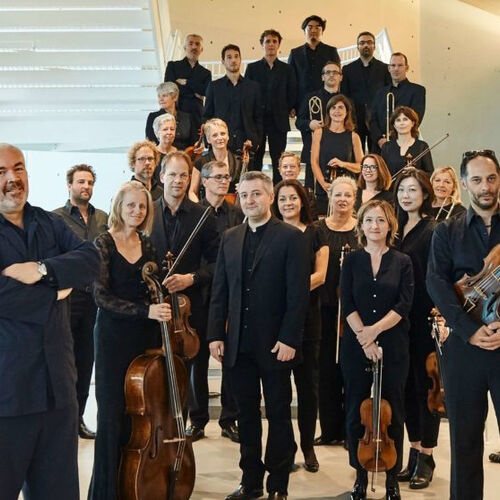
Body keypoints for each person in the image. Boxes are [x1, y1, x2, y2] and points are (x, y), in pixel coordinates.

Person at [0, 143, 100, 500]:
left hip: (59, 394)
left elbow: (90, 259)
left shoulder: (49, 222)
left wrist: (42, 269)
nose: (13, 179)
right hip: (8, 398)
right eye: (1, 172)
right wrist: (57, 289)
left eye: (19, 168)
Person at [208, 171, 310, 500]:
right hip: (238, 344)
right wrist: (215, 334)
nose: (250, 200)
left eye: (257, 194)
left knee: (279, 414)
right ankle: (250, 481)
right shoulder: (230, 237)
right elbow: (220, 291)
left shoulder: (291, 238)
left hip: (276, 344)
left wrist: (290, 339)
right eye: (245, 195)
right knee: (247, 416)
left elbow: (299, 295)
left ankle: (278, 483)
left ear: (269, 198)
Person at [88, 181, 171, 500]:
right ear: (119, 207)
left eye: (142, 206)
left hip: (145, 336)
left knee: (142, 416)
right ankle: (106, 493)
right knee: (112, 416)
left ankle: (135, 487)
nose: (137, 211)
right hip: (113, 339)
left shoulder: (148, 244)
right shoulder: (103, 243)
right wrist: (145, 311)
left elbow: (154, 286)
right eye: (131, 205)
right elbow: (101, 296)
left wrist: (162, 300)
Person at [427, 150, 500, 500]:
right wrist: (469, 330)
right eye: (477, 179)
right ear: (465, 184)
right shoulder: (447, 232)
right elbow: (436, 284)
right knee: (465, 443)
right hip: (463, 349)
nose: (485, 187)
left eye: (491, 178)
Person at [340, 199, 414, 500]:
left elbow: (404, 305)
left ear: (390, 225)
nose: (375, 226)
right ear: (361, 225)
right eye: (369, 220)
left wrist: (374, 333)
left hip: (393, 343)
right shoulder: (353, 260)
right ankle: (360, 474)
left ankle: (392, 478)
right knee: (356, 410)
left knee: (393, 410)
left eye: (381, 220)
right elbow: (347, 302)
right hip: (357, 346)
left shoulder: (403, 261)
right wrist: (365, 339)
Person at [150, 151, 219, 442]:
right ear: (161, 176)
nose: (177, 180)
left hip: (192, 304)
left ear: (191, 178)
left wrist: (192, 277)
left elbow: (217, 263)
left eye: (183, 175)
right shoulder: (148, 212)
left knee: (196, 363)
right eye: (172, 174)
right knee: (158, 362)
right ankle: (162, 415)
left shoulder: (203, 215)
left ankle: (198, 420)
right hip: (156, 305)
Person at [273, 179, 328, 472]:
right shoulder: (272, 233)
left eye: (293, 198)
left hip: (309, 320)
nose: (288, 204)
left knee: (308, 390)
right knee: (279, 392)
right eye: (282, 199)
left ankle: (308, 446)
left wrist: (290, 290)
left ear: (302, 201)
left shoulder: (316, 233)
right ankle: (286, 448)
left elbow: (320, 275)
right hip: (277, 323)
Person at [53, 164, 108, 440]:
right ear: (69, 185)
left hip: (95, 299)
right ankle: (62, 421)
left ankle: (78, 420)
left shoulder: (103, 218)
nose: (85, 186)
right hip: (68, 298)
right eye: (80, 182)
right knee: (66, 361)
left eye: (89, 182)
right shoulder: (55, 219)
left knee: (87, 361)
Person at [393, 167, 439, 490]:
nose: (406, 196)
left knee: (426, 390)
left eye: (412, 190)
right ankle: (412, 450)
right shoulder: (393, 229)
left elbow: (439, 274)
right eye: (402, 190)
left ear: (424, 194)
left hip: (423, 317)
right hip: (398, 320)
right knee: (405, 388)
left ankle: (427, 455)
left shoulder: (434, 229)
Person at [199, 159, 243, 442]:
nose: (223, 181)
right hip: (200, 292)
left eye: (226, 177)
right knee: (197, 360)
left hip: (229, 293)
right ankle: (197, 419)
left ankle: (229, 419)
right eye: (217, 177)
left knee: (230, 359)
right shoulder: (195, 214)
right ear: (204, 181)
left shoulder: (237, 214)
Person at [314, 176, 358, 447]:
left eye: (348, 195)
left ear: (355, 199)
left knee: (350, 371)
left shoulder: (361, 228)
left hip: (352, 310)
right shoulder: (318, 228)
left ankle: (350, 430)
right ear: (330, 198)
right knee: (326, 370)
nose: (342, 199)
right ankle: (329, 429)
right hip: (324, 306)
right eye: (338, 194)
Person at [245, 29, 296, 181]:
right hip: (257, 122)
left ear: (279, 44)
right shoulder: (252, 68)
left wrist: (289, 108)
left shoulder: (287, 69)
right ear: (262, 44)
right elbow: (247, 93)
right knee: (256, 160)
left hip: (278, 121)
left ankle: (279, 192)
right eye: (268, 41)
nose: (271, 44)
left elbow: (292, 91)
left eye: (274, 41)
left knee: (278, 160)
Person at [204, 44, 263, 156]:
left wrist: (256, 139)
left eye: (236, 56)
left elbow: (258, 116)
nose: (233, 60)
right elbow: (207, 116)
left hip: (247, 142)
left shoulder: (253, 87)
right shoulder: (214, 86)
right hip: (221, 142)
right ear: (223, 61)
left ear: (240, 59)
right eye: (229, 57)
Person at [311, 94, 363, 215]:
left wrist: (343, 164)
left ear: (347, 112)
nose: (337, 111)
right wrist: (324, 184)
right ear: (328, 112)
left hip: (347, 189)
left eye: (341, 107)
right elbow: (314, 162)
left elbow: (361, 166)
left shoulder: (353, 136)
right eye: (333, 107)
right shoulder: (319, 132)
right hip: (324, 187)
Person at [296, 61, 343, 189]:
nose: (331, 75)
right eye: (328, 72)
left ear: (340, 77)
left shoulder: (345, 100)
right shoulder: (310, 97)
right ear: (323, 77)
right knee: (312, 191)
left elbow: (352, 124)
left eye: (335, 72)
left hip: (339, 152)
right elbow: (299, 121)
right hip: (314, 151)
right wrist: (310, 124)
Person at [341, 31, 391, 151]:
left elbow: (388, 93)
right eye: (362, 43)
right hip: (355, 118)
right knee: (355, 153)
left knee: (377, 155)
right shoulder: (348, 69)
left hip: (378, 119)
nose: (366, 45)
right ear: (358, 46)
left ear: (374, 45)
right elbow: (344, 96)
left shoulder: (385, 68)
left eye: (369, 42)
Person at [370, 53, 426, 152]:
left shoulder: (417, 90)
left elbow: (416, 118)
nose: (396, 69)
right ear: (389, 68)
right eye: (393, 65)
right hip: (381, 147)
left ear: (407, 68)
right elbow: (372, 120)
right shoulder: (380, 92)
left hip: (406, 145)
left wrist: (397, 139)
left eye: (400, 65)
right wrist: (379, 139)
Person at [288, 15, 341, 114]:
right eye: (310, 27)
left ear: (322, 31)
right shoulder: (295, 53)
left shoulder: (331, 51)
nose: (313, 30)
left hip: (328, 102)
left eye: (317, 28)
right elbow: (291, 81)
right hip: (302, 103)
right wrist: (292, 105)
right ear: (304, 31)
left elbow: (337, 77)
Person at [164, 34, 212, 129]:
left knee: (195, 143)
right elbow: (169, 88)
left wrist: (187, 82)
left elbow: (206, 92)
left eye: (197, 44)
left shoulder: (206, 73)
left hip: (196, 115)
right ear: (185, 47)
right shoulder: (173, 66)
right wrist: (195, 93)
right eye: (190, 43)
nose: (194, 47)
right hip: (177, 111)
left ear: (201, 49)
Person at [189, 118, 241, 202]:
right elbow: (192, 192)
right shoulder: (200, 162)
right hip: (207, 208)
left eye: (223, 134)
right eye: (215, 135)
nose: (220, 138)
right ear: (208, 140)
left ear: (228, 136)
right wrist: (200, 209)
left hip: (232, 207)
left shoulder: (239, 161)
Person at [381, 106, 434, 180]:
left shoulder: (422, 146)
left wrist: (416, 172)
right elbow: (381, 173)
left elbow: (430, 174)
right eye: (398, 120)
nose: (402, 123)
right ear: (394, 125)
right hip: (391, 190)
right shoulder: (387, 147)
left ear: (412, 123)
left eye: (405, 119)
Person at [145, 81, 197, 150]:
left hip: (184, 156)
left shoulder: (187, 117)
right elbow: (151, 143)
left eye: (164, 96)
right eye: (159, 96)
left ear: (175, 97)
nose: (160, 99)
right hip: (162, 157)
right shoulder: (153, 117)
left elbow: (193, 141)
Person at [278, 151, 318, 220]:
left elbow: (313, 222)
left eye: (292, 166)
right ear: (280, 170)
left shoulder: (308, 194)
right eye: (285, 167)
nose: (289, 170)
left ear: (299, 170)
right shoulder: (273, 194)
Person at [152, 112, 177, 183]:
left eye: (172, 129)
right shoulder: (152, 155)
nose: (169, 132)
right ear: (157, 133)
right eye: (165, 129)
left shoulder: (180, 154)